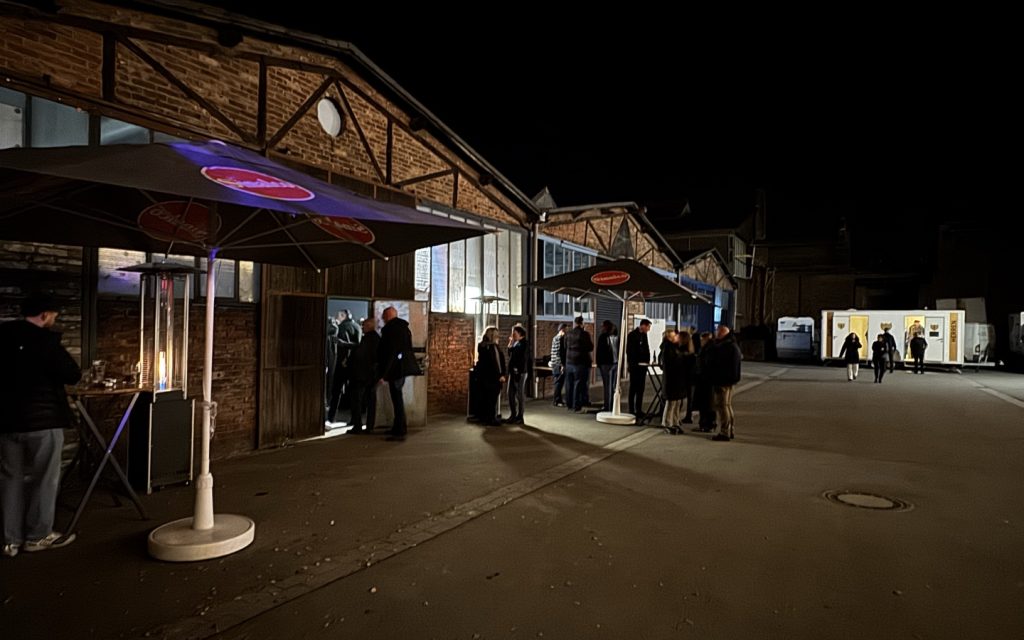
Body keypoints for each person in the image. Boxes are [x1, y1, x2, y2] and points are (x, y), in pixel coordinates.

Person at [1, 293, 82, 557]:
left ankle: (9, 541)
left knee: (10, 479)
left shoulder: (3, 337)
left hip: (6, 422)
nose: (54, 320)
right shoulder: (46, 342)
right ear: (45, 315)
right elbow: (73, 374)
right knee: (44, 478)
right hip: (42, 422)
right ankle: (37, 536)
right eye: (53, 316)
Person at [378, 306, 421, 441]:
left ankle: (400, 430)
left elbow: (391, 353)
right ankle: (398, 427)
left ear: (388, 316)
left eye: (384, 316)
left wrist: (385, 374)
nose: (382, 318)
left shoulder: (391, 330)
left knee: (397, 399)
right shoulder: (403, 328)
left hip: (396, 369)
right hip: (401, 368)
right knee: (397, 398)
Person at [710, 324, 742, 441]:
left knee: (722, 406)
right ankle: (730, 429)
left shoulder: (725, 347)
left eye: (718, 331)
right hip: (730, 380)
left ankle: (725, 432)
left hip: (723, 380)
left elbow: (718, 364)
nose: (716, 333)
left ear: (722, 333)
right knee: (727, 406)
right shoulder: (733, 345)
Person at [348, 318, 380, 433]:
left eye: (364, 325)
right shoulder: (376, 339)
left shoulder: (367, 339)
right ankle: (370, 426)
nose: (362, 327)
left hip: (362, 375)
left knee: (357, 400)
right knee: (371, 401)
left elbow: (360, 357)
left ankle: (357, 425)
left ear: (369, 326)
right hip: (371, 375)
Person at [661, 330, 695, 434]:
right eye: (674, 335)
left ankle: (675, 422)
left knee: (677, 403)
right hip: (672, 381)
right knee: (671, 403)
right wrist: (684, 357)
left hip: (678, 381)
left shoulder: (675, 347)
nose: (677, 336)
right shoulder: (668, 348)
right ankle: (667, 423)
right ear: (670, 337)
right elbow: (672, 363)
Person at [475, 327, 506, 426]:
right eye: (496, 334)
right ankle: (490, 418)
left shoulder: (488, 346)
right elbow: (494, 363)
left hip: (489, 377)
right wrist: (499, 375)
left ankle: (488, 417)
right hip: (492, 378)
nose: (498, 336)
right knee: (491, 399)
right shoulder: (489, 347)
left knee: (489, 398)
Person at [564, 316, 594, 413]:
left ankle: (569, 404)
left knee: (569, 384)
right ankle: (576, 405)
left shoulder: (568, 334)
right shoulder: (585, 334)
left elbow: (565, 346)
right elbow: (590, 347)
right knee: (578, 384)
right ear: (582, 323)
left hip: (569, 362)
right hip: (580, 362)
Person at [626, 319, 652, 417]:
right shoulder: (632, 335)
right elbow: (630, 351)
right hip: (635, 366)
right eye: (648, 327)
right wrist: (634, 363)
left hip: (643, 366)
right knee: (633, 388)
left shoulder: (644, 335)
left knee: (641, 388)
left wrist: (647, 360)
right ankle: (631, 409)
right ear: (643, 326)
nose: (649, 329)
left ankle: (639, 409)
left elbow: (646, 348)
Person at [692, 332, 717, 432]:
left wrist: (699, 373)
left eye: (702, 339)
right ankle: (708, 424)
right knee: (708, 404)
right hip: (706, 380)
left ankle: (706, 424)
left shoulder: (708, 350)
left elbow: (705, 364)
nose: (701, 341)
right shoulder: (711, 348)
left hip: (705, 381)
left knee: (706, 404)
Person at [505, 326, 529, 424]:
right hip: (513, 372)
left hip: (520, 373)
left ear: (520, 334)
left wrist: (517, 371)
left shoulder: (524, 344)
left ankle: (520, 416)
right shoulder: (516, 343)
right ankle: (513, 414)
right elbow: (510, 354)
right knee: (510, 393)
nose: (513, 335)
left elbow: (522, 359)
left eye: (514, 333)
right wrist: (510, 343)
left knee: (519, 394)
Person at [595, 320, 619, 412]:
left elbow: (599, 351)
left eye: (602, 326)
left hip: (606, 364)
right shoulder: (616, 337)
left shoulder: (603, 337)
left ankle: (608, 405)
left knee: (607, 386)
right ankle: (611, 405)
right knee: (612, 385)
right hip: (614, 363)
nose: (601, 327)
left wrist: (598, 363)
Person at [549, 323, 567, 407]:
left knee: (558, 382)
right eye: (565, 329)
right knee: (558, 383)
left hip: (554, 363)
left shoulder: (554, 338)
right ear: (562, 330)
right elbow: (561, 353)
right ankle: (556, 400)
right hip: (558, 364)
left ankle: (558, 399)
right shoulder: (560, 339)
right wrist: (562, 365)